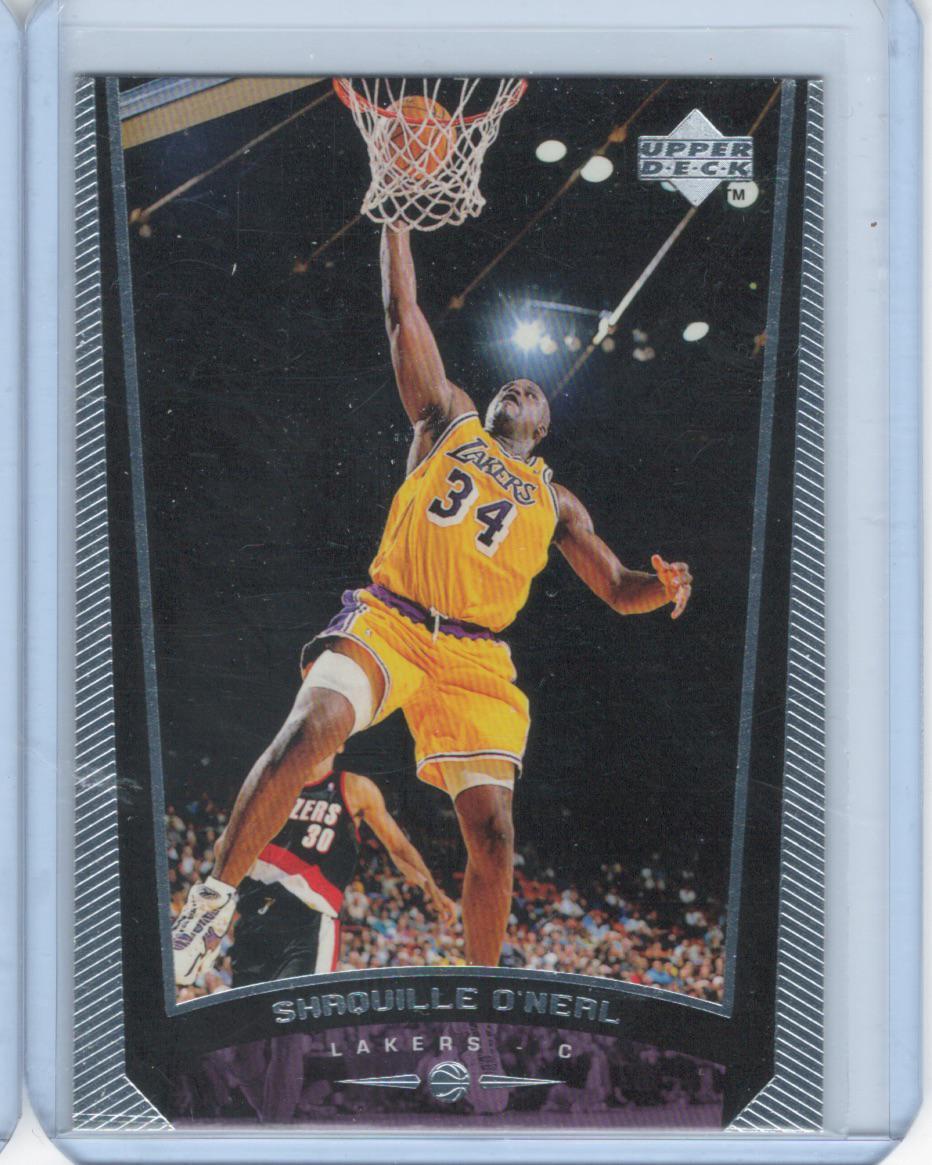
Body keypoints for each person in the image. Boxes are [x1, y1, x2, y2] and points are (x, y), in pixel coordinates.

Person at [172, 226, 692, 980]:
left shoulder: (557, 501)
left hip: (475, 656)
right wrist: (395, 220)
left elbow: (616, 587)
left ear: (543, 429)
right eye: (511, 385)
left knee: (495, 835)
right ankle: (211, 903)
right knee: (310, 730)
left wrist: (662, 585)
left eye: (532, 393)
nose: (517, 389)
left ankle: (479, 984)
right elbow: (403, 311)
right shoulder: (450, 418)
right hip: (394, 615)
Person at [173, 753, 455, 987]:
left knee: (298, 1019)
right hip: (254, 917)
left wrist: (430, 886)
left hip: (308, 921)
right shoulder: (273, 786)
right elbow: (224, 847)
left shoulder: (353, 787)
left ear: (341, 743)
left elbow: (398, 847)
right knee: (250, 1024)